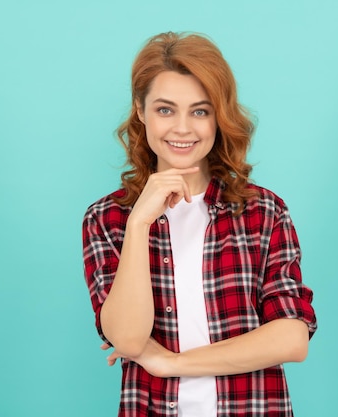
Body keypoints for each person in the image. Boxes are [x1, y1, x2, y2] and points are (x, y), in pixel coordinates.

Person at [82, 31, 317, 417]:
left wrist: (170, 363)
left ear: (218, 116)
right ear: (140, 112)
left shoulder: (264, 212)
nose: (183, 129)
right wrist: (141, 220)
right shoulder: (108, 219)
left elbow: (291, 338)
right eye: (165, 109)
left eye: (200, 110)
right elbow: (126, 337)